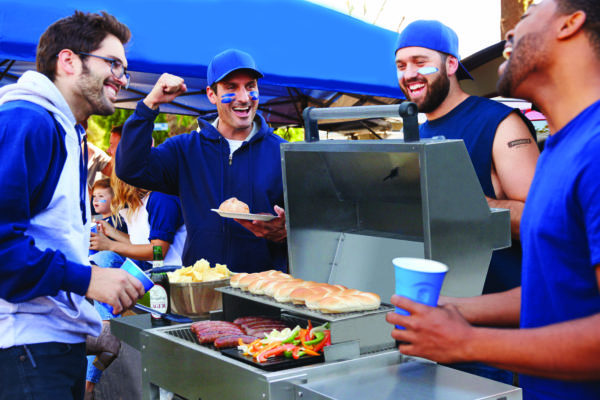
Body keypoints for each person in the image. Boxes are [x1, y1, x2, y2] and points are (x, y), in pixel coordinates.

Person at [386, 1, 600, 399]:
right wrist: (454, 310)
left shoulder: (588, 147)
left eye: (530, 11)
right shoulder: (559, 146)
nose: (509, 32)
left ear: (570, 24)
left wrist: (467, 341)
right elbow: (550, 289)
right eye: (401, 64)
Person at [0, 11, 145, 400]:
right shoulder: (28, 120)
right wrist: (89, 280)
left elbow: (48, 236)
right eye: (112, 63)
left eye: (125, 69)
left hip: (49, 346)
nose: (121, 78)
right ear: (68, 61)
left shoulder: (67, 131)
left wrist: (81, 327)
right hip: (24, 350)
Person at [395, 19, 540, 296]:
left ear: (451, 65)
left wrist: (468, 204)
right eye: (401, 66)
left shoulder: (498, 122)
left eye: (419, 62)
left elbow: (541, 220)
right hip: (438, 306)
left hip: (501, 312)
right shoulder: (412, 134)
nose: (409, 74)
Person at [116, 49, 287, 273]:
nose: (244, 98)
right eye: (231, 87)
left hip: (262, 293)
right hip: (200, 290)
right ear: (211, 94)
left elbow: (315, 226)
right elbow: (130, 169)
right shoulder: (184, 150)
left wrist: (288, 231)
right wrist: (149, 105)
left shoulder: (284, 153)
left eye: (250, 86)